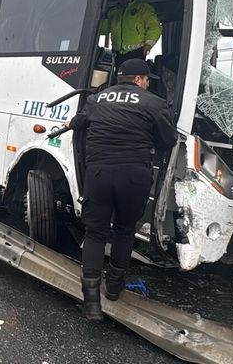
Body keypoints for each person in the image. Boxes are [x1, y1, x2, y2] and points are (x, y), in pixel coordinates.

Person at [65, 59, 175, 321]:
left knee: (95, 233)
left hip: (99, 175)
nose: (147, 84)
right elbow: (167, 141)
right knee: (124, 231)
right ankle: (114, 289)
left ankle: (91, 303)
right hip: (134, 178)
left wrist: (72, 122)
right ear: (138, 80)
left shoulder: (97, 99)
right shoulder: (154, 103)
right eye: (147, 80)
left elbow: (79, 122)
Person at [100, 0, 163, 66]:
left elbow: (154, 27)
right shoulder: (113, 12)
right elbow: (104, 29)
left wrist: (148, 44)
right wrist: (103, 18)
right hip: (116, 53)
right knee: (117, 73)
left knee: (134, 73)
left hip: (136, 52)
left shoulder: (143, 8)